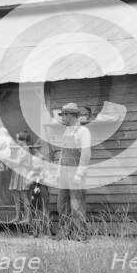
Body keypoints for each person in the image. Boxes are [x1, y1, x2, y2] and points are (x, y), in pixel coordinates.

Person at [56, 102, 92, 240]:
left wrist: (79, 174)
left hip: (76, 172)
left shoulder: (83, 131)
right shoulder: (67, 131)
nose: (62, 118)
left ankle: (81, 234)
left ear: (71, 115)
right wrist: (59, 173)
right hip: (65, 173)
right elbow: (62, 154)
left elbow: (86, 154)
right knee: (62, 203)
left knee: (77, 204)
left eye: (64, 115)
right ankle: (65, 232)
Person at [5, 130, 32, 223]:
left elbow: (17, 162)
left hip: (21, 172)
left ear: (22, 139)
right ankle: (17, 217)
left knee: (24, 196)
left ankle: (27, 218)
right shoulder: (21, 148)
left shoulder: (25, 148)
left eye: (17, 139)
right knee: (16, 196)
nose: (16, 140)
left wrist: (6, 159)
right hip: (17, 172)